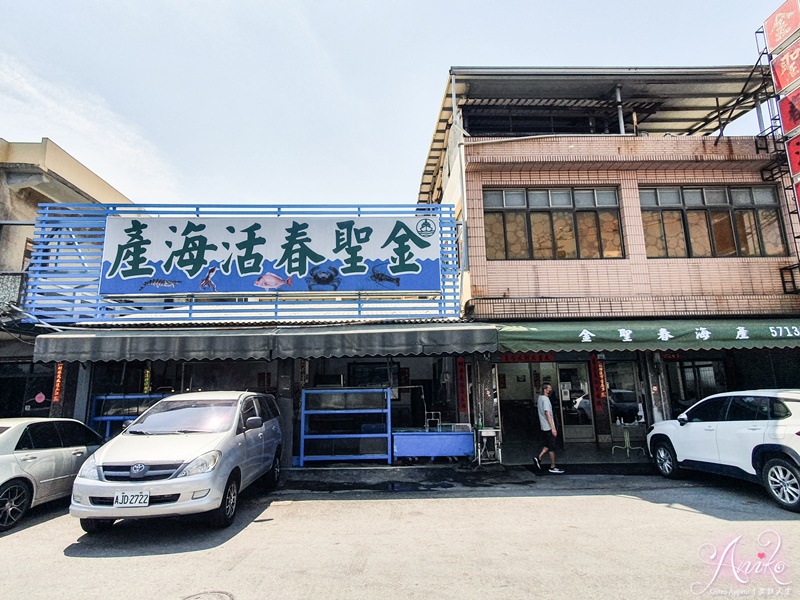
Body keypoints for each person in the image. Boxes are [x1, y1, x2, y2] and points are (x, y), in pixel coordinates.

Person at [533, 384, 564, 474]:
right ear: (545, 390)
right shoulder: (545, 400)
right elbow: (547, 413)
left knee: (548, 444)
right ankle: (553, 466)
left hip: (544, 426)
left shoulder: (540, 398)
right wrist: (553, 428)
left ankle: (538, 458)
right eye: (550, 389)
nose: (551, 390)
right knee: (552, 447)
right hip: (548, 426)